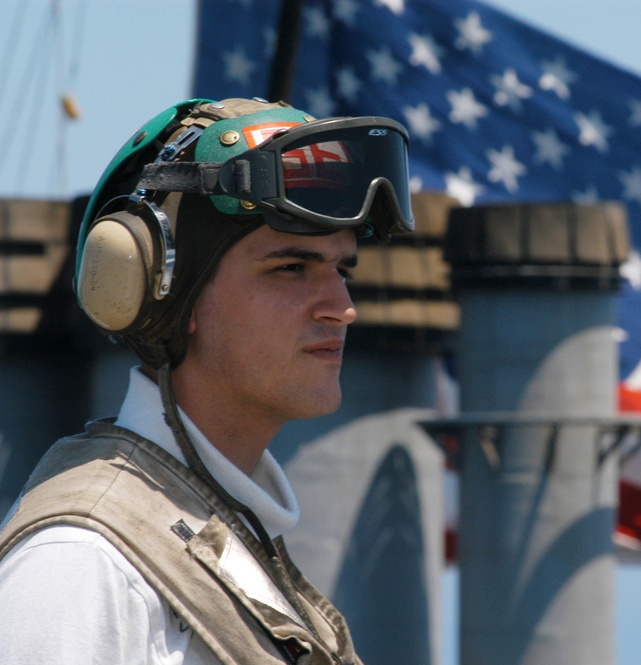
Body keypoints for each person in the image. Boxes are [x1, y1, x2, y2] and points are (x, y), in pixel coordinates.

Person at [0, 97, 414, 663]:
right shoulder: (81, 567)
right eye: (291, 269)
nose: (341, 308)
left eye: (340, 269)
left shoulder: (224, 539)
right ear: (165, 291)